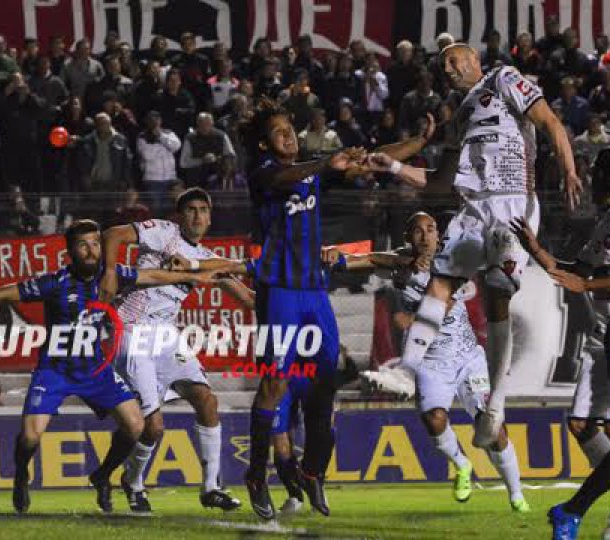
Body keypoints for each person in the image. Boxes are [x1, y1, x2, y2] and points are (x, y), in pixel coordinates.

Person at [0, 219, 216, 514]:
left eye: (96, 244)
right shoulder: (54, 283)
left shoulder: (110, 276)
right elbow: (1, 292)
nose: (91, 250)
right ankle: (22, 475)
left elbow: (151, 276)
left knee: (136, 424)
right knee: (31, 437)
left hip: (94, 368)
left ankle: (102, 475)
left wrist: (192, 275)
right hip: (55, 369)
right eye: (83, 245)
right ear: (70, 252)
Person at [366, 43, 581, 449]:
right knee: (440, 284)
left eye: (453, 59)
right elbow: (439, 184)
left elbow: (549, 120)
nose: (446, 68)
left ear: (474, 60)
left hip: (513, 205)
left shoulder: (503, 78)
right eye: (442, 64)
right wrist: (393, 166)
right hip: (471, 210)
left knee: (499, 291)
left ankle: (496, 402)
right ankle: (408, 372)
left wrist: (568, 169)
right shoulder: (460, 115)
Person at [238, 98, 433, 520]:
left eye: (290, 128)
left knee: (325, 386)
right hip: (279, 293)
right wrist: (327, 163)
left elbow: (373, 162)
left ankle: (310, 472)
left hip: (314, 294)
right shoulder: (266, 174)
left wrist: (416, 142)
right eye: (278, 131)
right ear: (265, 143)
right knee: (274, 384)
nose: (288, 134)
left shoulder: (312, 172)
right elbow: (290, 175)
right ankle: (256, 474)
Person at [333, 213, 529, 512]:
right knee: (434, 419)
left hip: (466, 358)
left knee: (492, 428)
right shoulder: (399, 264)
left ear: (440, 235)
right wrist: (339, 257)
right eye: (417, 231)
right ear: (407, 238)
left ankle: (516, 495)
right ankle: (462, 466)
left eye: (431, 229)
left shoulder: (456, 262)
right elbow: (371, 260)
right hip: (430, 363)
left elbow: (443, 299)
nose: (425, 236)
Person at [100, 189, 254, 513]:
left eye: (203, 211)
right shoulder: (162, 231)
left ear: (210, 218)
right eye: (191, 210)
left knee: (206, 399)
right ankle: (134, 482)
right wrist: (111, 271)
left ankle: (211, 487)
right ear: (179, 215)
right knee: (154, 428)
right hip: (133, 332)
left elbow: (250, 300)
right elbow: (113, 234)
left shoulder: (206, 259)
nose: (197, 216)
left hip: (169, 339)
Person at [509, 175, 610, 537]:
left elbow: (584, 281)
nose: (588, 181)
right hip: (606, 338)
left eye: (598, 171)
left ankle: (577, 508)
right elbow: (577, 273)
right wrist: (537, 250)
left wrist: (587, 285)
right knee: (583, 425)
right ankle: (585, 506)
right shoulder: (607, 222)